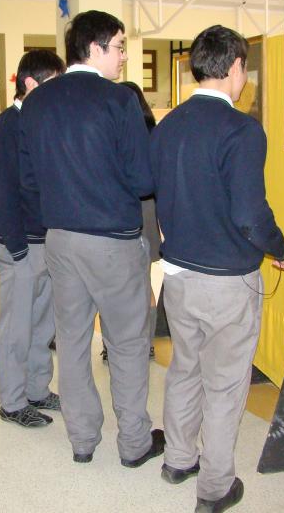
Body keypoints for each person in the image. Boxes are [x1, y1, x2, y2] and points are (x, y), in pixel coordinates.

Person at [150, 25, 284, 513]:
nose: (244, 77)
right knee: (227, 382)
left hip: (178, 277)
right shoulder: (243, 130)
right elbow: (250, 213)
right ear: (235, 67)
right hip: (228, 282)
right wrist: (279, 248)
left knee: (184, 369)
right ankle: (214, 488)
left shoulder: (167, 125)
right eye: (244, 68)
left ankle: (177, 458)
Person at [19, 10, 163, 466]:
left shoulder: (39, 102)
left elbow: (29, 177)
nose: (123, 56)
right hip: (113, 243)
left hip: (59, 239)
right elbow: (143, 180)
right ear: (96, 48)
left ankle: (82, 439)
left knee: (73, 340)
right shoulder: (118, 101)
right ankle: (135, 442)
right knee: (127, 344)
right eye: (119, 46)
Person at [0, 49, 66, 428]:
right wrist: (15, 248)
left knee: (42, 325)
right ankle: (12, 402)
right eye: (52, 84)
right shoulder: (5, 127)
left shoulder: (43, 123)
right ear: (29, 83)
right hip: (20, 245)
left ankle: (36, 389)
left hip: (46, 242)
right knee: (17, 327)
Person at [99, 80, 160, 362]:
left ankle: (115, 345)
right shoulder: (153, 133)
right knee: (141, 281)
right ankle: (143, 343)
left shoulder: (112, 133)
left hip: (123, 209)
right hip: (146, 208)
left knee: (113, 282)